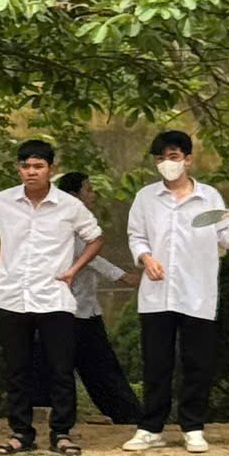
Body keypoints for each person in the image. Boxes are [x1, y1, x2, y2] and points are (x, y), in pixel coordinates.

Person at [123, 130, 229, 455]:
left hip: (197, 292)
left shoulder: (209, 197)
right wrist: (146, 257)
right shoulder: (146, 198)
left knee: (197, 362)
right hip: (157, 294)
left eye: (172, 157)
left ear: (187, 159)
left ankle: (193, 427)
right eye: (160, 159)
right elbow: (136, 235)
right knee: (156, 363)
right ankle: (150, 427)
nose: (166, 164)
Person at [0, 141, 103, 456]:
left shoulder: (69, 206)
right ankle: (20, 432)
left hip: (54, 295)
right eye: (26, 166)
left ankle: (62, 432)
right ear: (19, 169)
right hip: (13, 294)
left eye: (38, 166)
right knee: (17, 368)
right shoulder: (3, 201)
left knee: (60, 367)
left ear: (51, 170)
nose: (31, 172)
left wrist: (73, 269)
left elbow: (95, 238)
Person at [54, 172, 142, 428]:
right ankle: (125, 414)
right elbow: (88, 254)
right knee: (93, 365)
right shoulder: (63, 221)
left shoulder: (84, 221)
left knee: (98, 366)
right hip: (69, 309)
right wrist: (123, 276)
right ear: (74, 194)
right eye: (88, 189)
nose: (92, 194)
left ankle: (126, 413)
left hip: (86, 309)